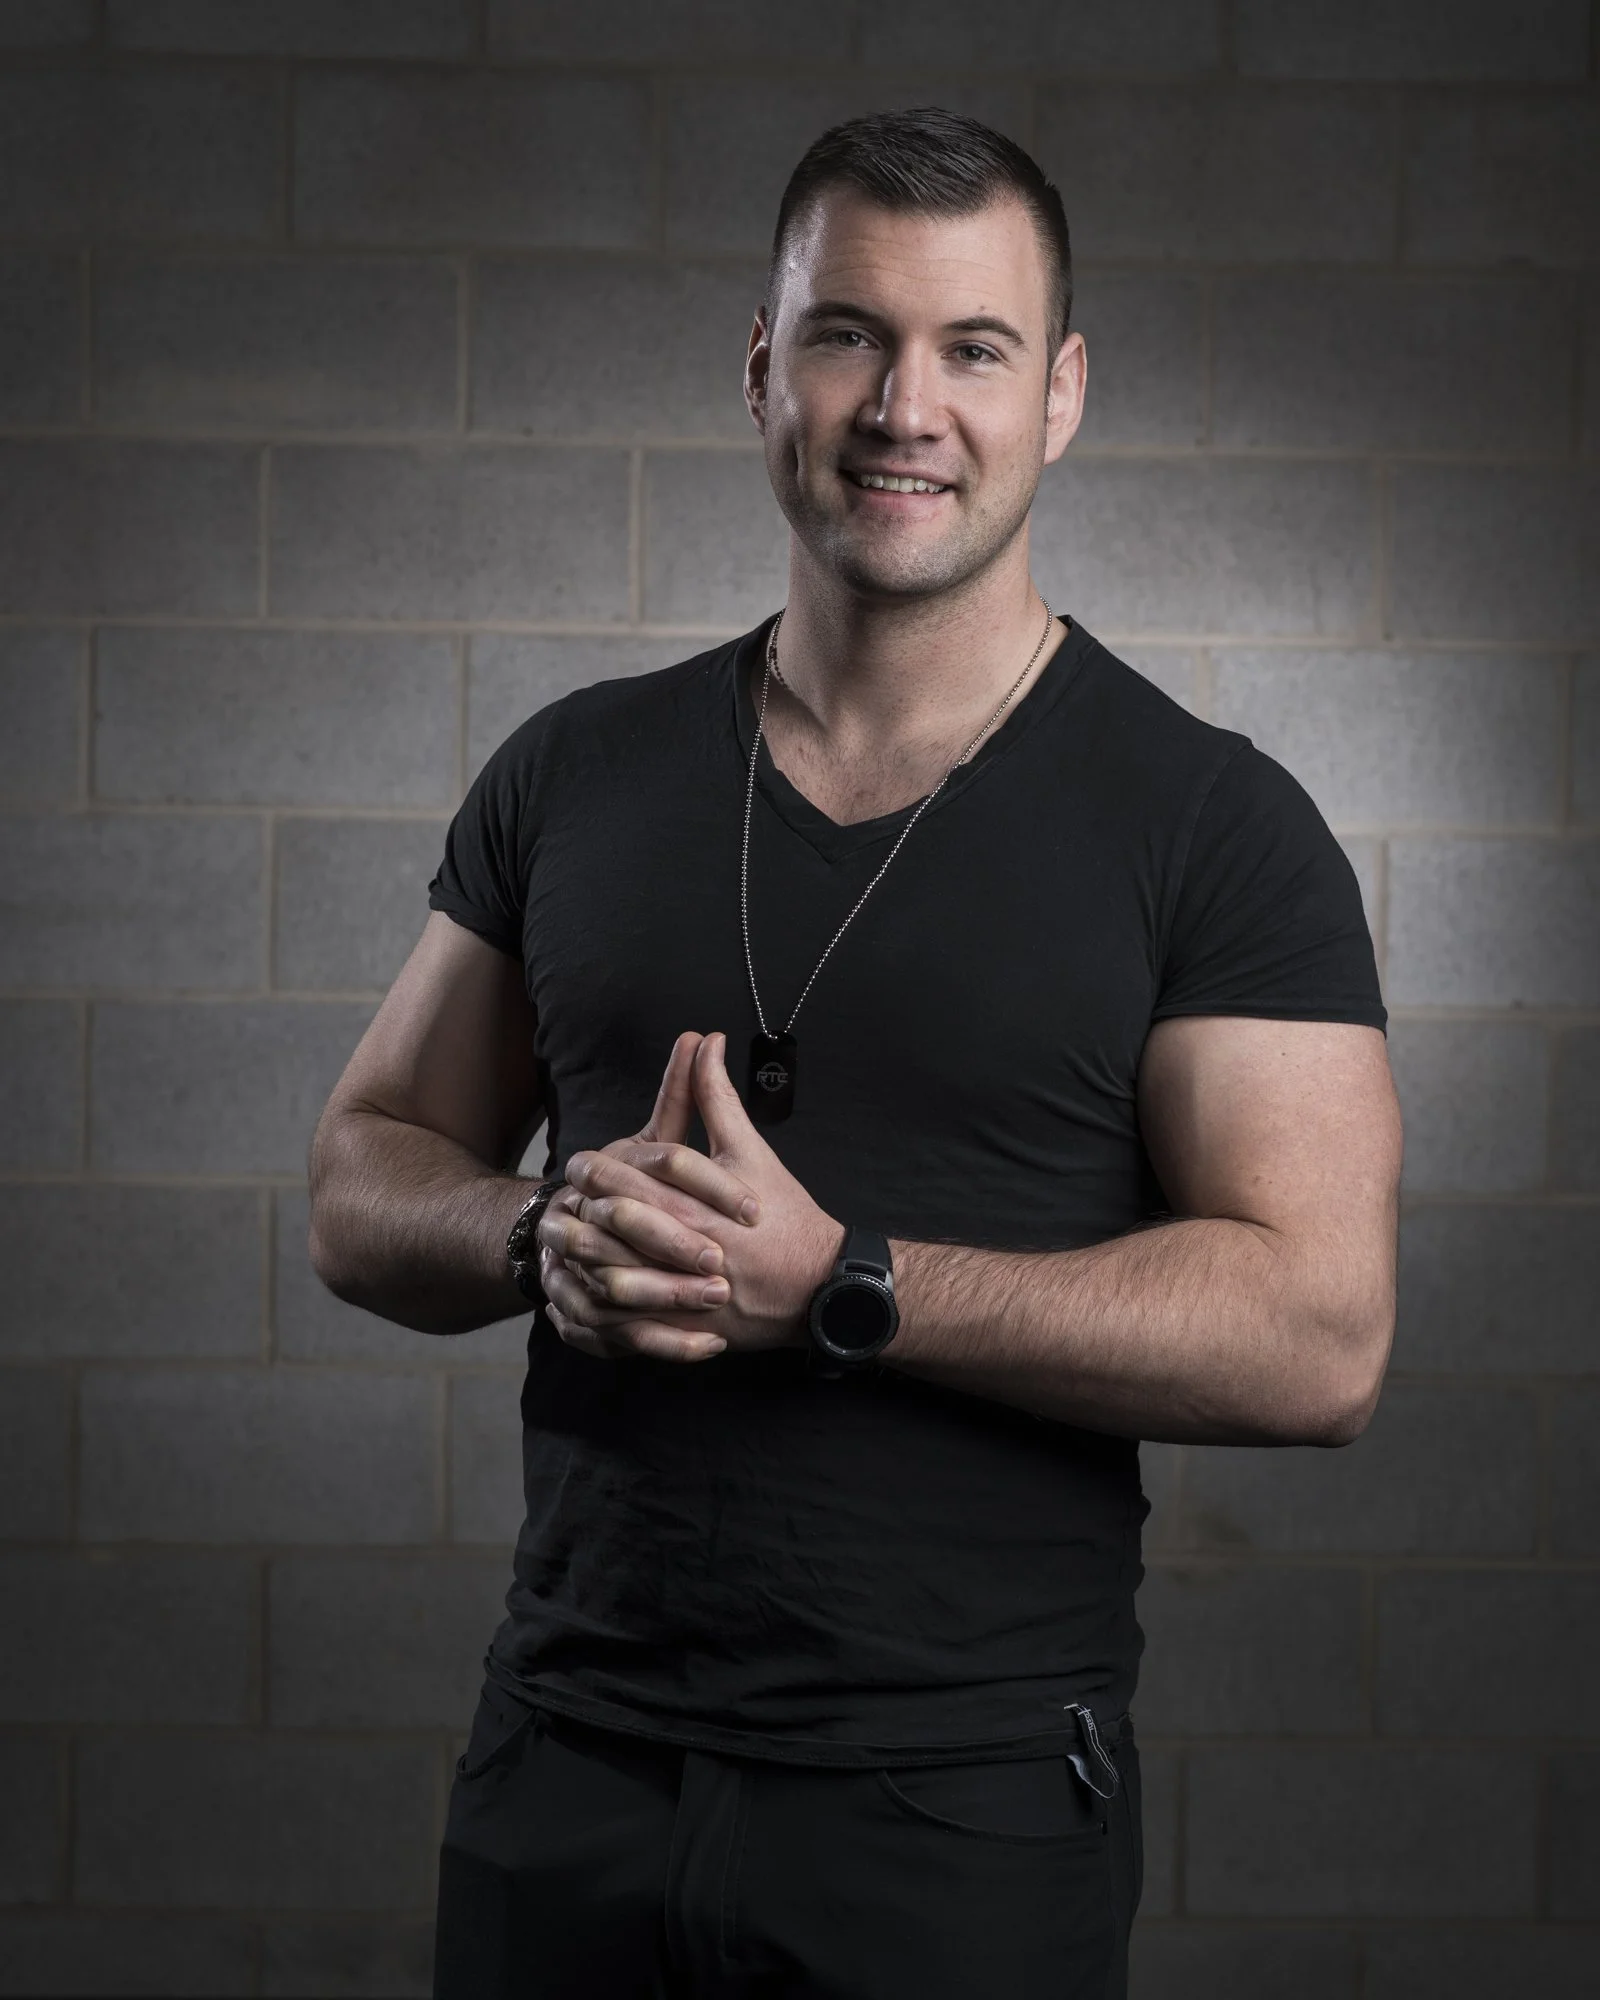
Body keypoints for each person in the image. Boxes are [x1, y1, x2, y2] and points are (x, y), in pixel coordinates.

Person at [308, 106, 1402, 2000]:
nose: (908, 403)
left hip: (957, 1813)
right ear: (762, 368)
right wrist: (537, 1231)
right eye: (848, 335)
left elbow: (1322, 1336)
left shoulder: (1214, 826)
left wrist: (845, 1286)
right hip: (567, 1767)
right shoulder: (575, 771)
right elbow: (360, 1169)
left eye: (974, 347)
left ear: (1059, 394)